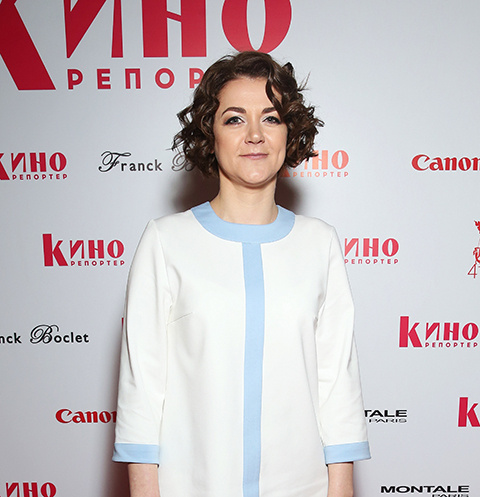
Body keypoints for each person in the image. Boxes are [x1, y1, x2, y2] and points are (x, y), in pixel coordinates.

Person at [113, 51, 370, 497]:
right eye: (234, 119)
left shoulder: (320, 242)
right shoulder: (165, 241)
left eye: (271, 118)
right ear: (209, 135)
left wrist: (342, 487)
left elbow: (337, 383)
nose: (254, 134)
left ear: (289, 133)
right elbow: (142, 389)